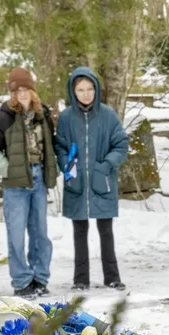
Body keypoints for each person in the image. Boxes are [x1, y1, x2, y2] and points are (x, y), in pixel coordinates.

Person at [55, 67, 130, 291]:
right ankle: (80, 279)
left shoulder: (108, 115)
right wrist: (67, 165)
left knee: (106, 231)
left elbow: (121, 145)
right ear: (73, 91)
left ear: (96, 89)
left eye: (89, 89)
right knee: (79, 232)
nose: (86, 94)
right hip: (77, 183)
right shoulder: (66, 118)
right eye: (81, 90)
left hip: (102, 182)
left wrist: (105, 165)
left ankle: (112, 277)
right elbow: (59, 146)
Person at [0, 67, 57, 297]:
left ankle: (40, 277)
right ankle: (21, 281)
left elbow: (51, 144)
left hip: (38, 179)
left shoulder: (43, 115)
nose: (22, 94)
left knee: (40, 233)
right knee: (16, 235)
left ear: (33, 91)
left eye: (25, 89)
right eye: (17, 91)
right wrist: (8, 170)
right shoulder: (4, 117)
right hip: (15, 185)